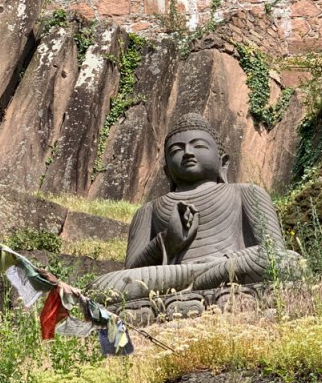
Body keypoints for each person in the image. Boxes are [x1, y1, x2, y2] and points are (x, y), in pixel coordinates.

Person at [91, 113, 300, 299]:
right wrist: (166, 241)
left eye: (198, 146)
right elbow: (132, 270)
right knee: (103, 287)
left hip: (226, 266)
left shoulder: (247, 192)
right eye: (176, 150)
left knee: (283, 261)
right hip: (174, 276)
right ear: (167, 172)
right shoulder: (149, 210)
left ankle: (201, 281)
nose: (188, 153)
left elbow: (274, 251)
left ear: (223, 162)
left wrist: (220, 264)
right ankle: (202, 282)